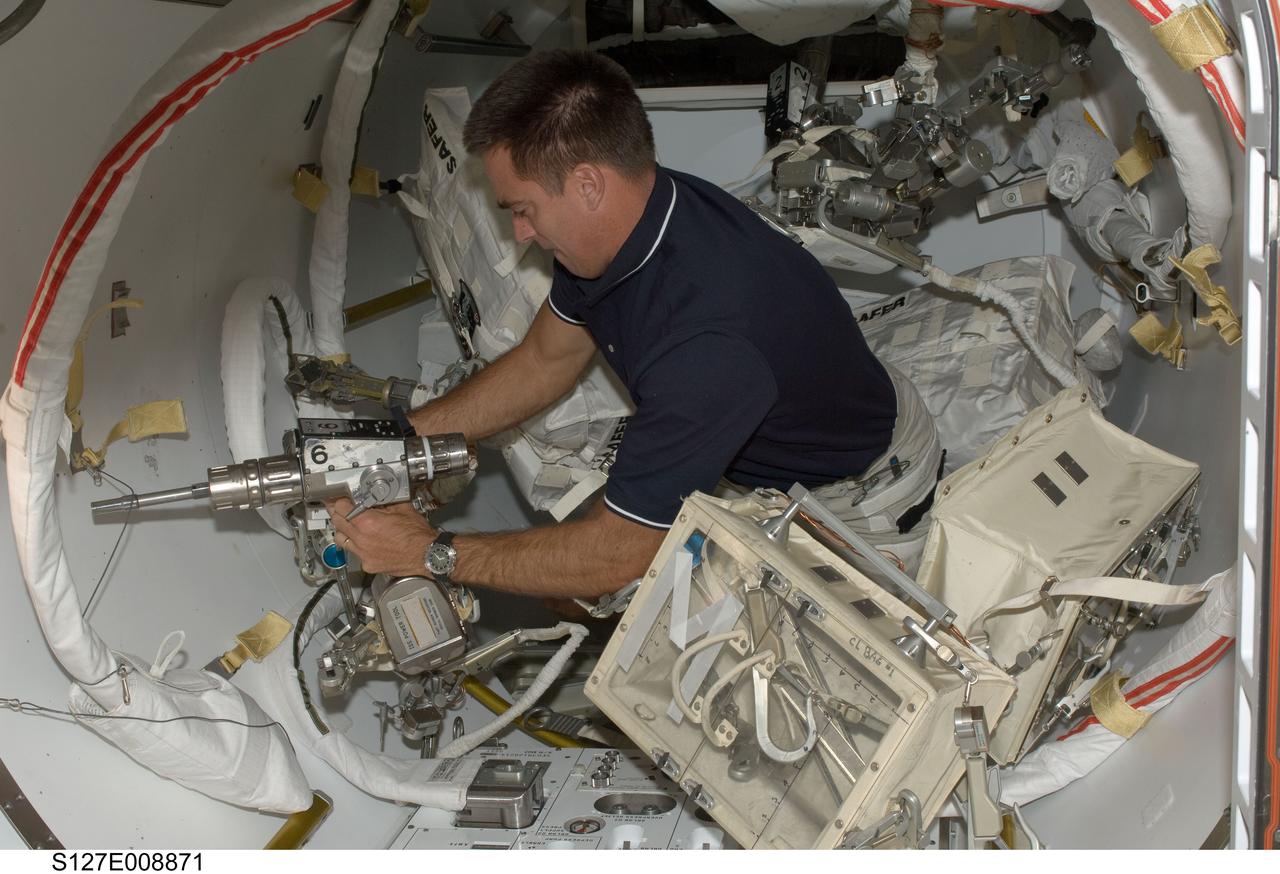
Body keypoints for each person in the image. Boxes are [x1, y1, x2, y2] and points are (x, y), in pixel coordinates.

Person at [326, 49, 906, 601]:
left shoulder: (705, 345)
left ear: (586, 185)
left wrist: (430, 553)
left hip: (853, 495)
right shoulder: (630, 221)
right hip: (764, 431)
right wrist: (400, 444)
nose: (521, 233)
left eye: (523, 209)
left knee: (586, 603)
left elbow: (618, 556)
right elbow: (545, 360)